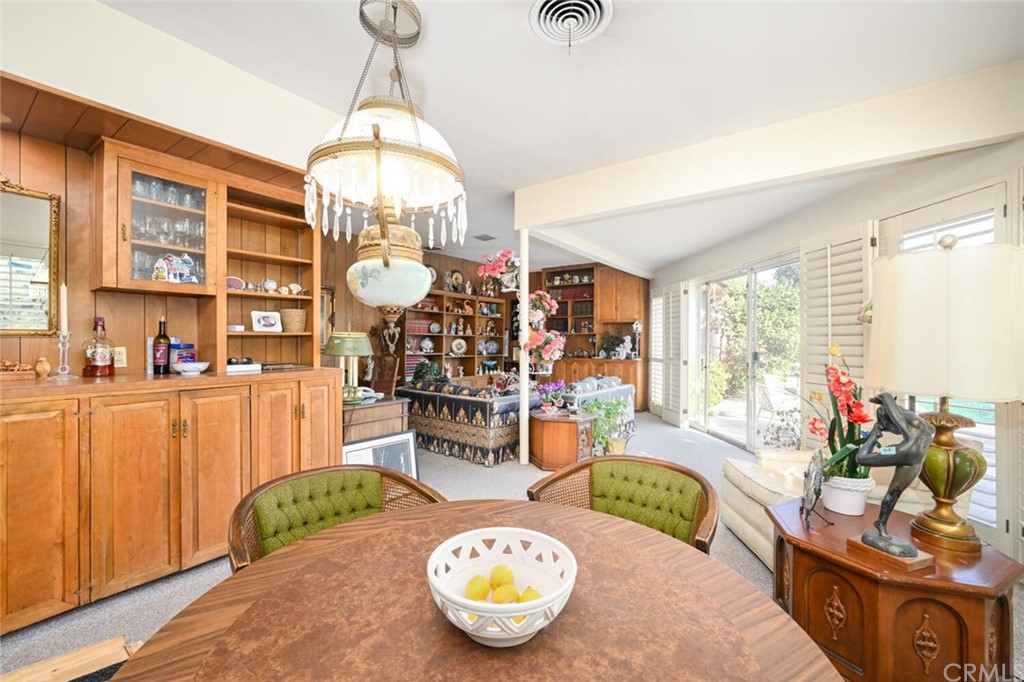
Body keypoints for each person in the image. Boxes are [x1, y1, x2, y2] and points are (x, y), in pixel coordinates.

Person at [855, 391, 935, 540]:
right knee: (893, 493)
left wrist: (885, 397)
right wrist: (886, 405)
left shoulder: (905, 424)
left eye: (886, 427)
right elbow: (897, 412)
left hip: (909, 454)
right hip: (913, 455)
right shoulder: (923, 425)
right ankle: (881, 523)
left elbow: (896, 416)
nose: (892, 432)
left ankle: (881, 522)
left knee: (892, 491)